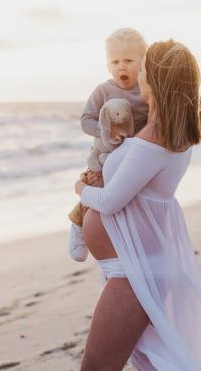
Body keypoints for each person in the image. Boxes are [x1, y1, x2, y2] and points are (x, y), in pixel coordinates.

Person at [74, 39, 201, 370]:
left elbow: (109, 202)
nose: (139, 76)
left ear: (155, 81)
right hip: (138, 265)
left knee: (97, 366)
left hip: (134, 273)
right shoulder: (167, 136)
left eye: (145, 70)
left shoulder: (153, 143)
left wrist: (80, 189)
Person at [68, 27, 149, 262]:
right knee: (95, 184)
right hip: (104, 153)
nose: (121, 66)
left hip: (131, 155)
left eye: (128, 60)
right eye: (114, 62)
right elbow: (85, 120)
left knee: (122, 196)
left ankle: (121, 238)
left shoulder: (146, 92)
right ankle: (77, 223)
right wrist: (105, 135)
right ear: (107, 65)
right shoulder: (104, 90)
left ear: (142, 63)